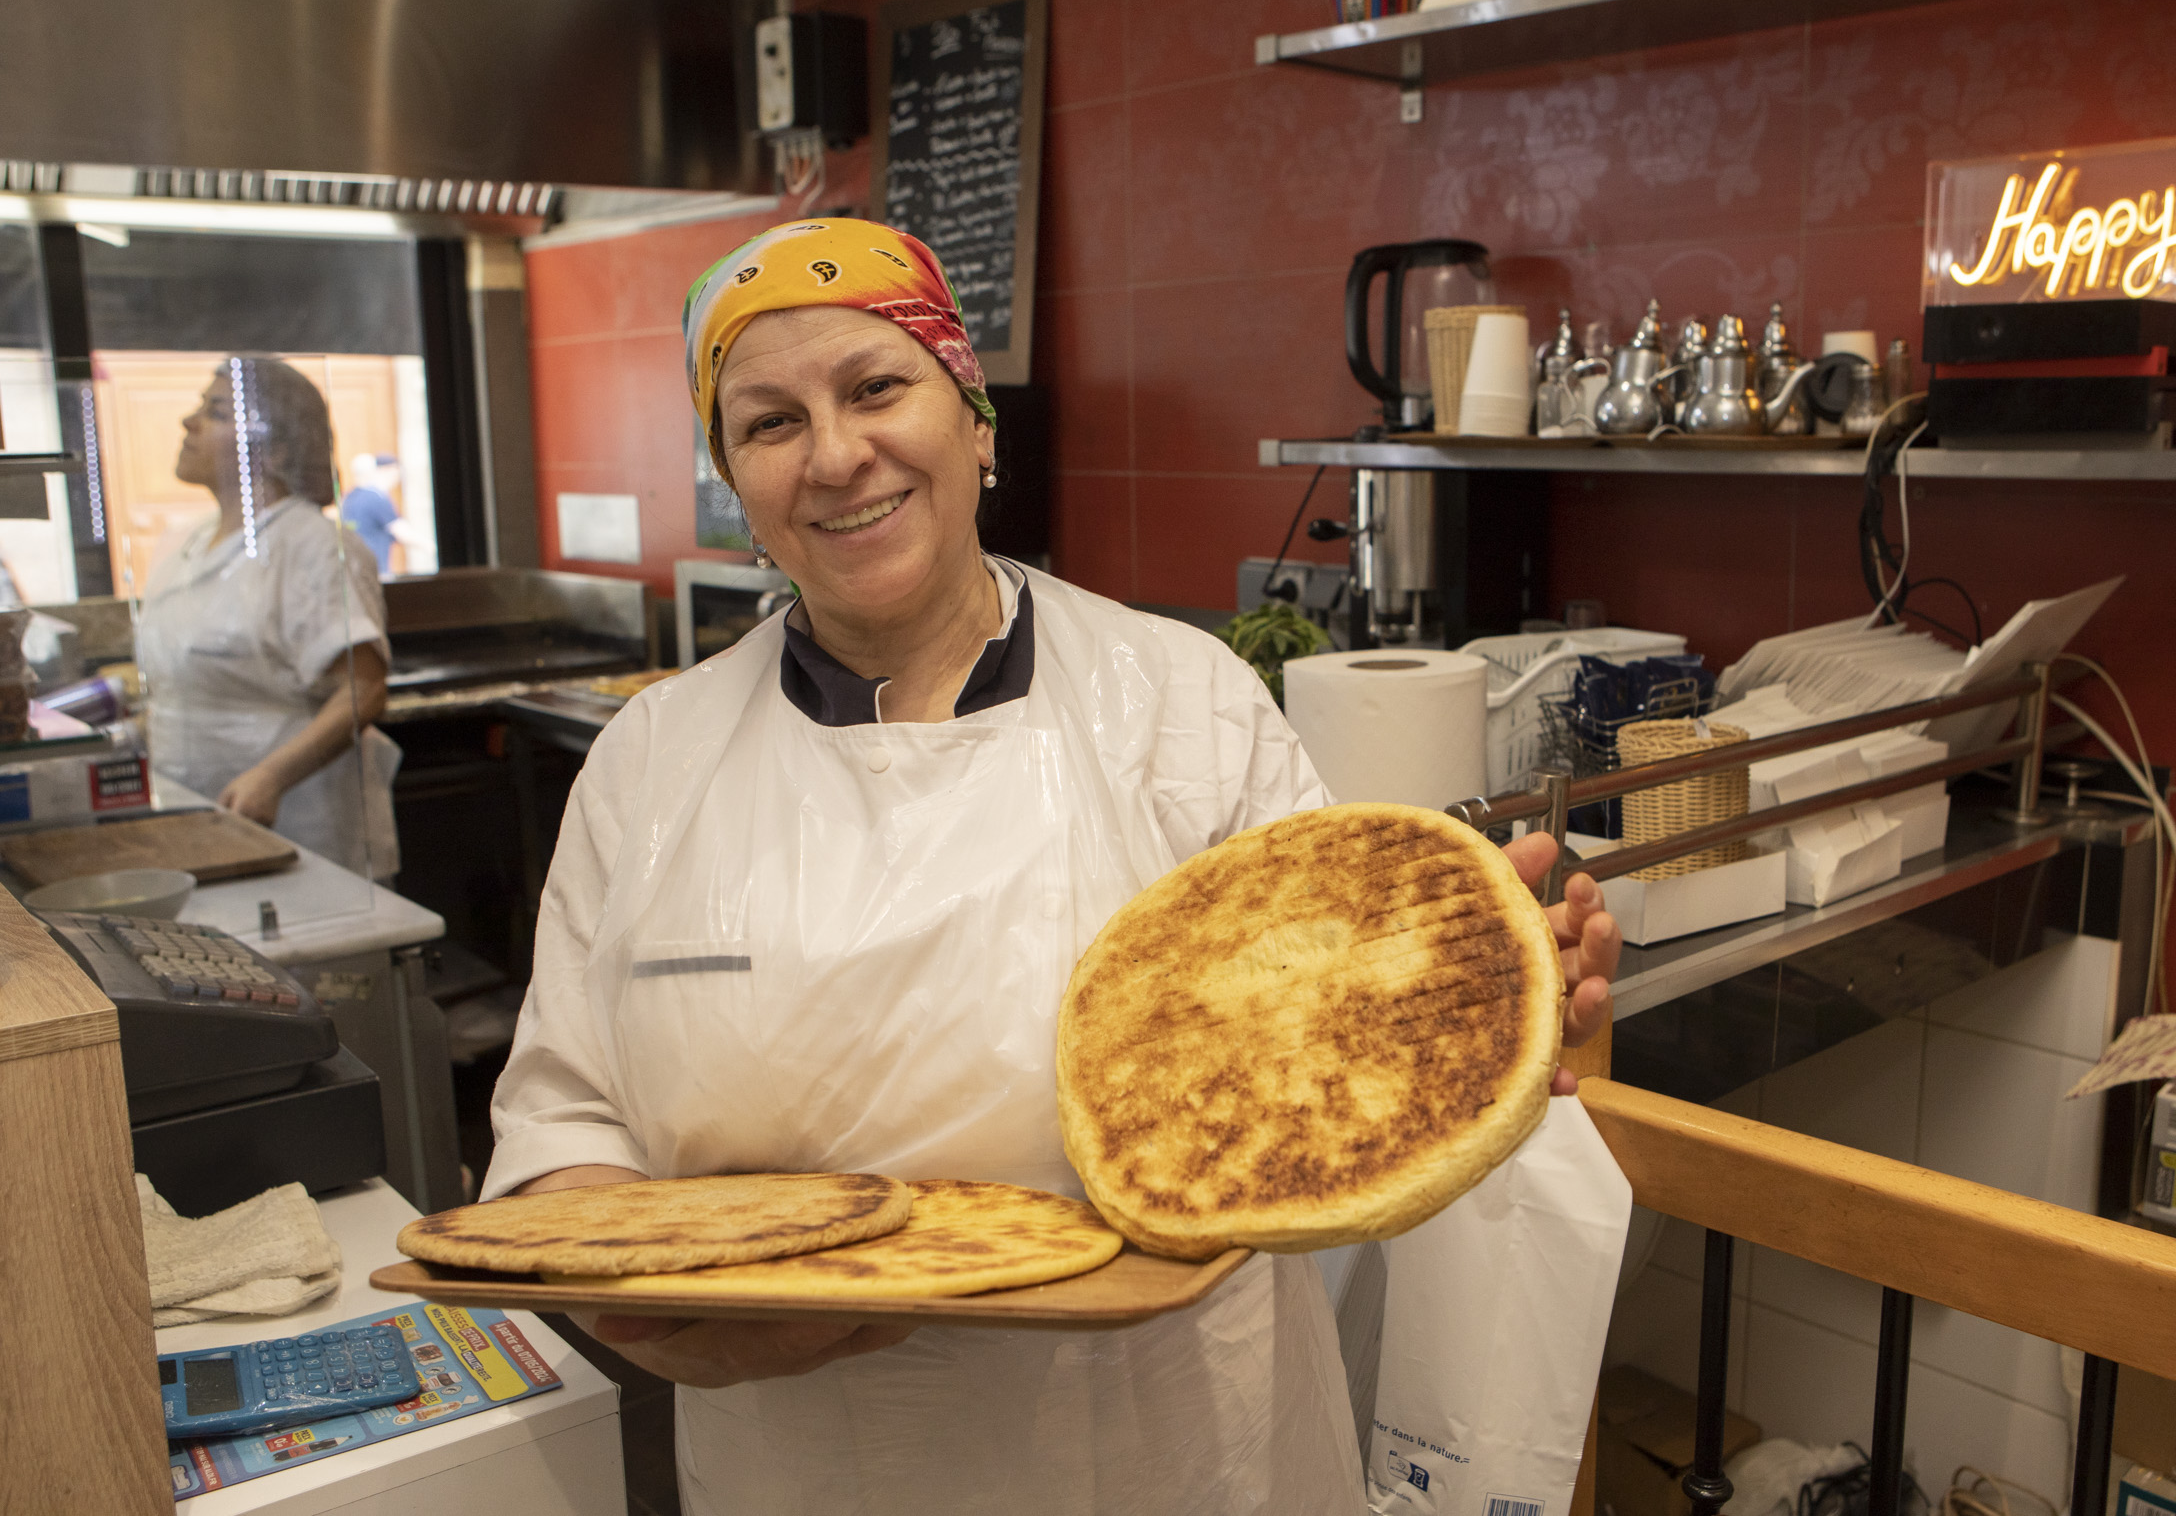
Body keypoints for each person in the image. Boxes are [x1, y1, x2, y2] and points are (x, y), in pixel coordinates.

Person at [483, 218, 1622, 1514]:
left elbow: (1339, 1068)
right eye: (769, 421)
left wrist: (1478, 1024)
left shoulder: (1180, 701)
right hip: (803, 1463)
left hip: (1177, 1450)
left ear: (975, 421)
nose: (837, 453)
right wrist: (661, 1325)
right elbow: (561, 1130)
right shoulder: (649, 763)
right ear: (732, 480)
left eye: (875, 386)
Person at [137, 356, 402, 880]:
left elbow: (363, 690)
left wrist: (270, 778)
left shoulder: (315, 546)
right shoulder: (181, 545)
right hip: (191, 822)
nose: (188, 423)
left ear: (275, 448)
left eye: (215, 412)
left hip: (299, 827)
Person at [339, 452, 429, 576]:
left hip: (356, 570)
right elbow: (401, 532)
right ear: (386, 470)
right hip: (375, 570)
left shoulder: (350, 497)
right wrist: (431, 547)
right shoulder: (375, 497)